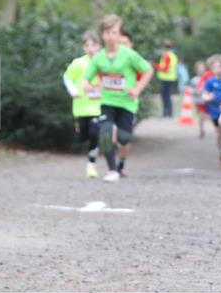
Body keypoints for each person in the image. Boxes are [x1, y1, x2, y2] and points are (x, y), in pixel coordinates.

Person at [85, 15, 154, 182]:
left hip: (127, 104)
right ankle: (112, 170)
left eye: (114, 32)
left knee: (124, 139)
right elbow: (87, 78)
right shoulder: (99, 57)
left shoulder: (129, 55)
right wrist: (87, 85)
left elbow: (148, 70)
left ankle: (121, 161)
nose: (111, 36)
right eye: (107, 32)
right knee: (105, 134)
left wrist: (137, 88)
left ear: (119, 34)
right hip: (107, 102)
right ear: (102, 34)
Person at [62, 31, 103, 178]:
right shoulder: (78, 63)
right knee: (83, 137)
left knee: (94, 134)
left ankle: (91, 165)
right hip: (81, 107)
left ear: (99, 46)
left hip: (98, 107)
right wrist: (73, 91)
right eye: (87, 45)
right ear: (84, 48)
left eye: (94, 45)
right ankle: (81, 132)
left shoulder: (104, 62)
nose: (91, 48)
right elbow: (67, 78)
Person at [154, 39, 179, 118]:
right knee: (167, 96)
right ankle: (168, 113)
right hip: (170, 78)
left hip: (166, 78)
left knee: (165, 96)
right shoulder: (172, 55)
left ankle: (167, 113)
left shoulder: (167, 55)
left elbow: (165, 68)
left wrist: (155, 66)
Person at [190, 60, 209, 138]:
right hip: (199, 101)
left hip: (208, 101)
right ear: (196, 70)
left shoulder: (208, 78)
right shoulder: (194, 80)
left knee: (208, 116)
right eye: (199, 68)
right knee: (201, 116)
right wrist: (196, 91)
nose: (201, 69)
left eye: (202, 68)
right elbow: (191, 90)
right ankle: (201, 130)